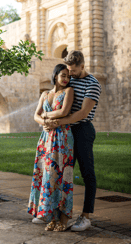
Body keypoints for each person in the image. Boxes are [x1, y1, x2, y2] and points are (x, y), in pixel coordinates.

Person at [43, 50, 101, 232]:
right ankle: (58, 214)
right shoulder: (70, 80)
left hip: (82, 130)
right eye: (68, 71)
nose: (70, 75)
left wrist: (55, 122)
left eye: (73, 71)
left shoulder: (93, 84)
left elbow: (82, 113)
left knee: (87, 173)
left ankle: (86, 216)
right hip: (64, 132)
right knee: (63, 173)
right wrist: (50, 121)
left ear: (82, 66)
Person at [28, 64, 75, 232]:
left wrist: (45, 117)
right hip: (46, 139)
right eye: (63, 75)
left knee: (63, 177)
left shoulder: (68, 91)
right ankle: (52, 218)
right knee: (49, 177)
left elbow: (64, 111)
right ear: (55, 75)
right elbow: (35, 115)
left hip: (63, 139)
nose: (65, 79)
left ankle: (64, 218)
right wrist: (44, 122)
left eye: (68, 77)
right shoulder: (45, 94)